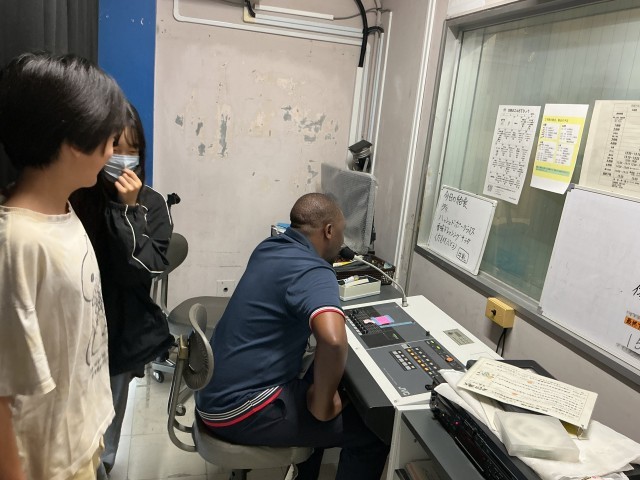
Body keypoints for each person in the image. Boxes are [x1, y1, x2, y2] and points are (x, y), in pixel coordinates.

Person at [195, 193, 389, 480]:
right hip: (237, 408)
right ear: (329, 231)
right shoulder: (314, 270)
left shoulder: (269, 247)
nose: (342, 242)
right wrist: (322, 406)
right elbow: (334, 340)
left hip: (212, 391)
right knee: (372, 435)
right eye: (342, 232)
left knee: (323, 378)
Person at [0, 52, 127, 480]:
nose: (113, 152)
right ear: (75, 141)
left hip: (81, 437)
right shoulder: (17, 243)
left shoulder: (64, 210)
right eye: (109, 139)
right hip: (47, 464)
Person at [70, 102, 175, 477]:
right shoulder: (78, 194)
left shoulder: (151, 203)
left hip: (122, 330)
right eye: (116, 147)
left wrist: (127, 211)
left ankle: (104, 469)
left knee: (109, 420)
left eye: (133, 150)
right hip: (78, 327)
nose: (124, 159)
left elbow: (145, 268)